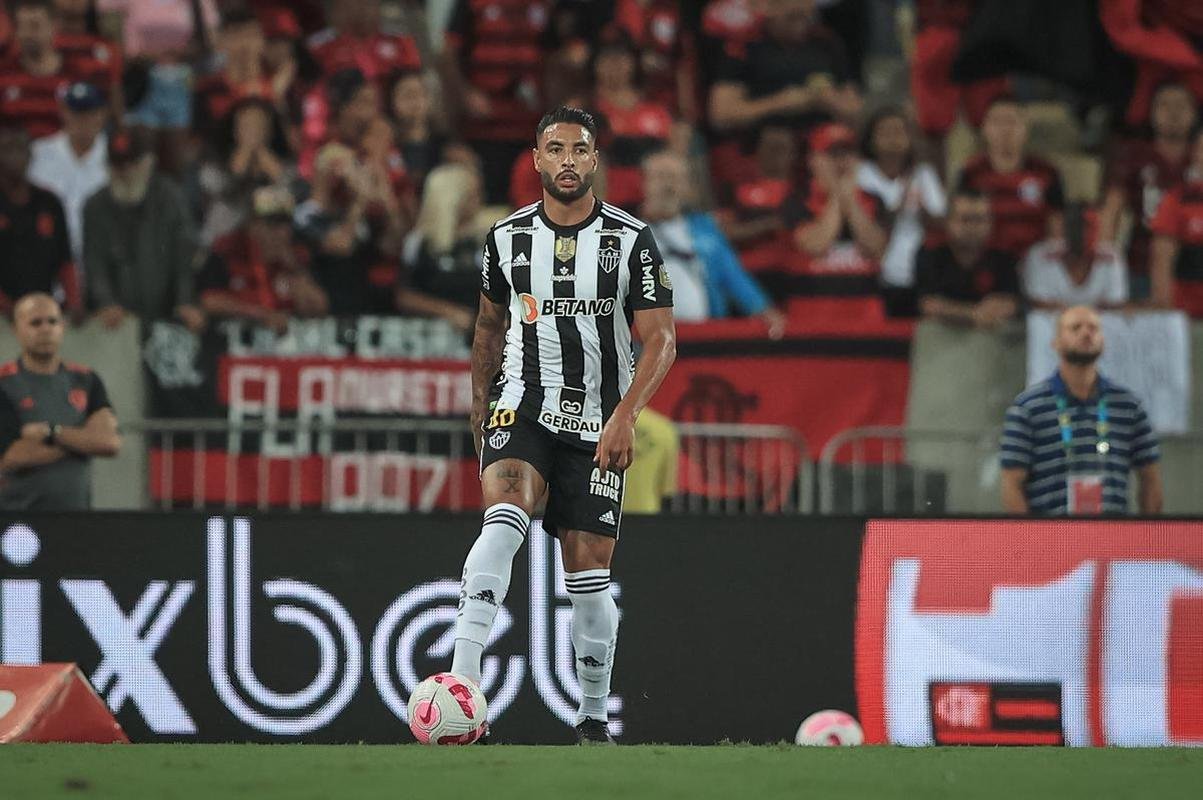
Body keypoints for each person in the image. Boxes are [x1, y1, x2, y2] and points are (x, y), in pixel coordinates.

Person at [451, 106, 675, 745]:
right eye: (556, 149)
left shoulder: (630, 240)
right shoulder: (506, 238)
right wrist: (478, 405)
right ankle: (464, 686)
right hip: (520, 404)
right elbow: (490, 326)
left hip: (598, 420)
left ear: (595, 159)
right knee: (505, 514)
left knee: (589, 570)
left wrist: (626, 416)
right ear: (537, 159)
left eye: (580, 149)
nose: (569, 160)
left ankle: (594, 718)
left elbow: (660, 340)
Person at [1001, 305, 1162, 516]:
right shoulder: (1027, 407)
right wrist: (1031, 542)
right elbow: (1011, 483)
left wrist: (1147, 539)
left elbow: (1150, 478)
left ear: (1103, 341)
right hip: (1051, 538)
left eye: (1093, 328)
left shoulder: (1129, 406)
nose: (1086, 333)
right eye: (1075, 328)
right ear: (1055, 343)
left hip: (1112, 538)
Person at [640, 148, 785, 336]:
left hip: (700, 338)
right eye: (661, 177)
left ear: (686, 187)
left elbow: (732, 275)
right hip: (645, 342)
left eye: (675, 178)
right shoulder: (624, 232)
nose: (668, 186)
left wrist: (762, 309)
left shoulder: (706, 230)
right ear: (644, 183)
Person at [0, 292, 120, 510]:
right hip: (17, 522)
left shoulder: (86, 379)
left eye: (52, 321)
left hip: (76, 519)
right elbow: (11, 455)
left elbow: (108, 442)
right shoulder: (4, 383)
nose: (46, 329)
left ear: (62, 327)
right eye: (35, 323)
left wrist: (52, 433)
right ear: (16, 329)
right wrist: (82, 441)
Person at [83, 127, 204, 331]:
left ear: (148, 163)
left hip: (166, 314)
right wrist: (106, 302)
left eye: (132, 164)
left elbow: (184, 256)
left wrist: (185, 301)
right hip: (117, 322)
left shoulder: (171, 199)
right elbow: (95, 263)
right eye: (118, 165)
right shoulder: (96, 206)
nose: (125, 172)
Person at [439, 0, 552, 204]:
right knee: (489, 207)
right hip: (484, 130)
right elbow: (447, 54)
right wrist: (466, 94)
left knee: (529, 207)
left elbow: (554, 57)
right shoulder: (472, 4)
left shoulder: (543, 6)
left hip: (531, 130)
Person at [1098, 81, 1197, 299]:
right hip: (1141, 262)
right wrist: (1104, 265)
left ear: (1194, 113)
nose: (1173, 113)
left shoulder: (1199, 156)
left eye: (1181, 106)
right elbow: (1111, 211)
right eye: (1165, 105)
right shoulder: (1135, 155)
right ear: (1151, 113)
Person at [198, 186, 327, 333]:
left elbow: (318, 307)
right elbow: (210, 301)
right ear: (252, 223)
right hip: (237, 343)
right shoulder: (228, 250)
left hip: (283, 349)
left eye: (286, 223)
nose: (281, 232)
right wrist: (260, 315)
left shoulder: (297, 255)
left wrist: (295, 269)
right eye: (272, 223)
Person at [956, 96, 1065, 259]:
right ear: (985, 128)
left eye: (1012, 121)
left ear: (1025, 128)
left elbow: (1057, 227)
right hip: (988, 261)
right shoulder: (972, 172)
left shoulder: (1047, 172)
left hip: (1034, 261)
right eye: (997, 122)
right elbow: (963, 226)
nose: (1005, 130)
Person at [856, 106, 946, 292]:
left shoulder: (924, 175)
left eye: (899, 131)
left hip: (918, 270)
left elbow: (941, 223)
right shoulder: (861, 175)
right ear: (871, 139)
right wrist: (898, 206)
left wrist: (922, 209)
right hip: (872, 270)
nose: (893, 138)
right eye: (885, 132)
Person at [0, 0, 116, 138]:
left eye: (34, 26)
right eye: (21, 27)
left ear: (54, 26)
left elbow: (96, 120)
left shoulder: (76, 73)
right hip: (14, 154)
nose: (27, 34)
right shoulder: (4, 73)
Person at [397, 162, 490, 334]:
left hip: (478, 337)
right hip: (430, 336)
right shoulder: (419, 243)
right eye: (472, 196)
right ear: (453, 199)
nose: (480, 200)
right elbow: (405, 297)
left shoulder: (486, 241)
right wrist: (448, 312)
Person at [0, 125, 79, 315]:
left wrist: (74, 301)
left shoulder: (50, 202)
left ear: (31, 155)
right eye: (8, 149)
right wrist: (8, 307)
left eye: (21, 148)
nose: (15, 156)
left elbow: (65, 261)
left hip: (42, 311)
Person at [28, 80, 108, 264]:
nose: (83, 121)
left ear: (102, 114)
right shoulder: (39, 154)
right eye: (77, 113)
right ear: (64, 113)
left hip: (100, 259)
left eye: (90, 113)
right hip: (50, 258)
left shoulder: (114, 158)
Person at [915, 189, 1019, 328]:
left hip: (991, 338)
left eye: (980, 219)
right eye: (965, 219)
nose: (972, 227)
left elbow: (1010, 304)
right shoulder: (930, 252)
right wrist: (972, 314)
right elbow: (927, 305)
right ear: (948, 222)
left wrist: (949, 310)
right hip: (941, 336)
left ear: (990, 223)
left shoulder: (1003, 254)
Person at [1022, 205, 1128, 309]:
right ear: (1066, 229)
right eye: (1077, 226)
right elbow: (1038, 303)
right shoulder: (1040, 255)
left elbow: (1115, 305)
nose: (1083, 233)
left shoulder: (1111, 257)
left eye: (1090, 226)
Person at [1149, 126, 1203, 317]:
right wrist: (1166, 315)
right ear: (1195, 154)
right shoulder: (1177, 200)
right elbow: (1162, 262)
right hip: (1187, 315)